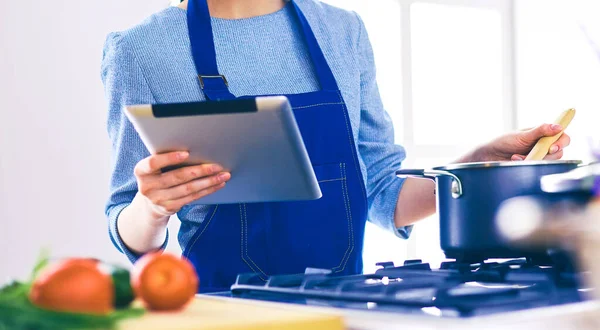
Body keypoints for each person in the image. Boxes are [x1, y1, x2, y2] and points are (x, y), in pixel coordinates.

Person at [101, 0, 571, 292]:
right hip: (224, 308)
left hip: (342, 304)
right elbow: (128, 225)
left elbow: (383, 193)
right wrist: (152, 206)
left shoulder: (342, 32)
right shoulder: (141, 50)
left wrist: (473, 167)